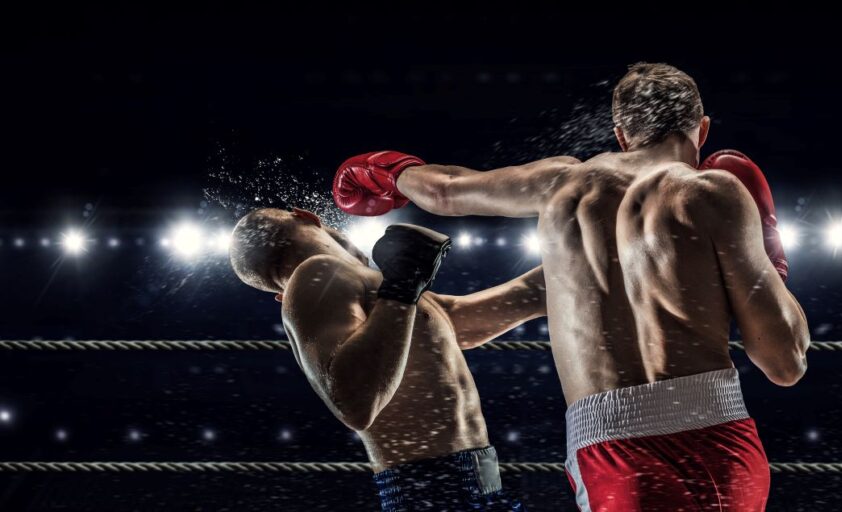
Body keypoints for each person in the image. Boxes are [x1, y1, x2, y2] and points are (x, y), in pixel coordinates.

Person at [332, 62, 811, 511]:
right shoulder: (711, 194)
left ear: (622, 135)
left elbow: (446, 194)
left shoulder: (562, 191)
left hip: (602, 455)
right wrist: (770, 258)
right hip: (709, 442)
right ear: (701, 130)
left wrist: (391, 180)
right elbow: (784, 363)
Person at [229, 207, 545, 511]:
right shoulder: (316, 273)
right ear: (307, 215)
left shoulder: (381, 294)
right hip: (431, 491)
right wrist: (402, 284)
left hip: (478, 486)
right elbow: (354, 404)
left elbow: (478, 317)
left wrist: (574, 246)